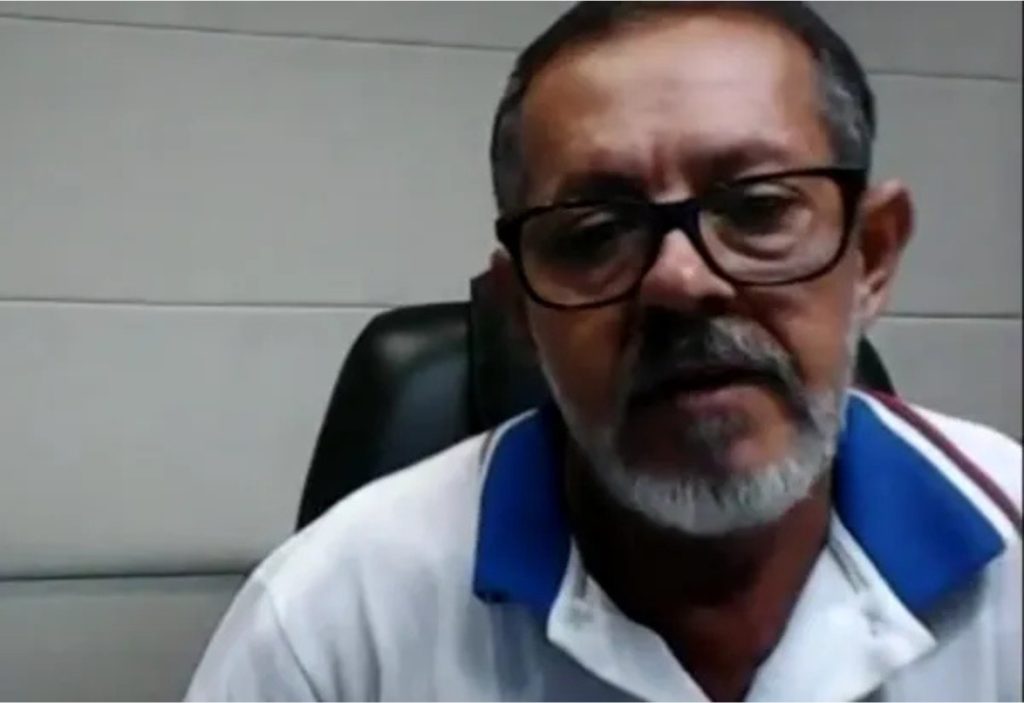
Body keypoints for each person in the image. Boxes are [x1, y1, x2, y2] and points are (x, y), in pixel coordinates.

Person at [186, 2, 1022, 700]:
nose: (682, 280)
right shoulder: (330, 625)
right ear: (521, 311)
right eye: (594, 233)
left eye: (758, 208)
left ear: (870, 256)